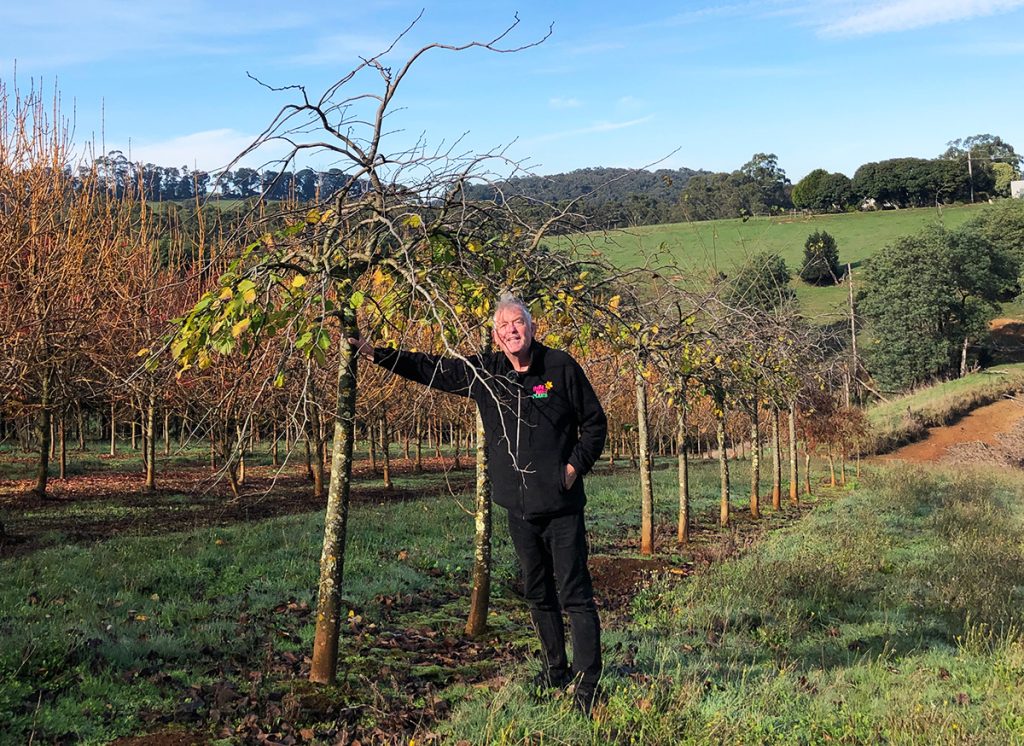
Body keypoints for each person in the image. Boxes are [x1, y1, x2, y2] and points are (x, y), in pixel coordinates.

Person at [350, 295, 607, 714]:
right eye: (503, 325)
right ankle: (555, 670)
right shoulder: (486, 373)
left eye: (518, 322)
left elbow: (595, 423)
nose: (512, 330)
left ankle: (587, 685)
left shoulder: (560, 368)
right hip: (518, 509)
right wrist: (375, 353)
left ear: (532, 326)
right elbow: (431, 368)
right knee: (538, 594)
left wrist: (574, 468)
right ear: (495, 335)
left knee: (575, 594)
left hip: (561, 508)